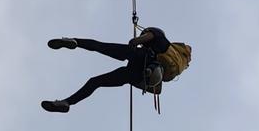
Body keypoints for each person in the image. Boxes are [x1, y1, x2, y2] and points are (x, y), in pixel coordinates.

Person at [41, 27, 191, 113]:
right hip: (137, 75)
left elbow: (138, 40)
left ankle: (75, 42)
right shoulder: (175, 63)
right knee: (96, 82)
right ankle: (67, 103)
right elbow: (158, 89)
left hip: (139, 57)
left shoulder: (160, 38)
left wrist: (135, 42)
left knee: (101, 47)